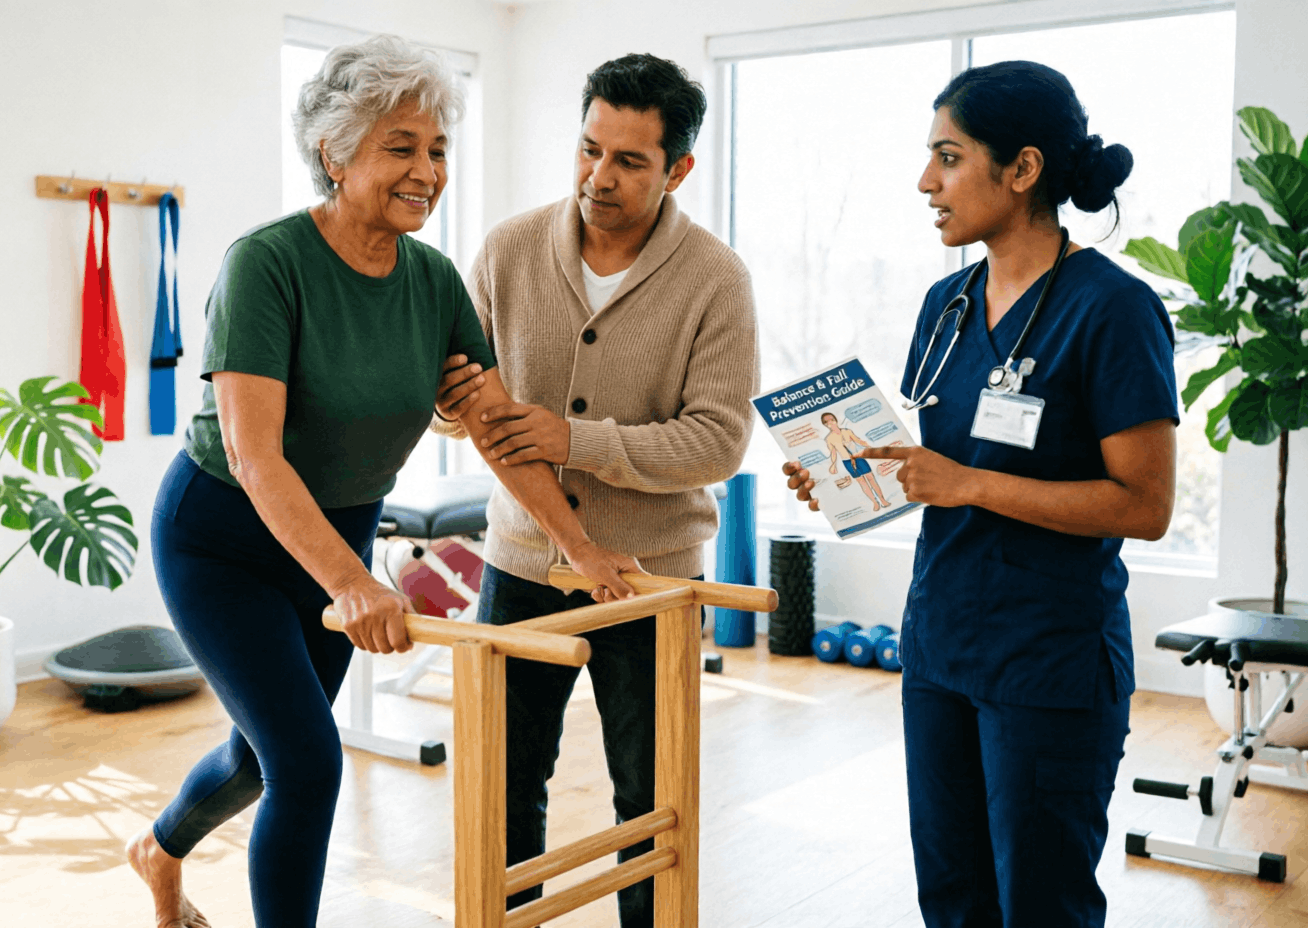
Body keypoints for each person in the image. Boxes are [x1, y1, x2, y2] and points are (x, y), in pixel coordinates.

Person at [126, 36, 640, 928]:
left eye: (438, 149)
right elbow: (254, 456)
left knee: (259, 759)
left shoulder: (433, 282)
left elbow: (495, 428)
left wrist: (580, 547)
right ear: (334, 153)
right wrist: (352, 582)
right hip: (224, 542)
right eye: (401, 147)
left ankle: (157, 850)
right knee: (307, 763)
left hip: (337, 539)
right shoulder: (267, 265)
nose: (427, 172)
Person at [784, 61, 1177, 927]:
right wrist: (849, 475)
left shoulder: (1114, 310)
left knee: (1039, 903)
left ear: (1023, 168)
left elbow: (1145, 506)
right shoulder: (946, 304)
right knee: (953, 898)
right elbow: (936, 465)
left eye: (949, 157)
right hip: (939, 648)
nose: (926, 181)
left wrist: (969, 484)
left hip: (1048, 660)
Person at [434, 53, 758, 928]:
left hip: (651, 580)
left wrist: (575, 440)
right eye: (589, 148)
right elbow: (454, 406)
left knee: (652, 801)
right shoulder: (506, 249)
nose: (598, 176)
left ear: (677, 170)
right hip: (521, 565)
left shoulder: (716, 278)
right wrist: (449, 402)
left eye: (629, 161)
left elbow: (718, 441)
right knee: (504, 790)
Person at [821, 411, 889, 510]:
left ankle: (882, 500)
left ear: (835, 420)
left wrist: (871, 448)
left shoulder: (847, 431)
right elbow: (833, 453)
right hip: (847, 462)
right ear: (825, 424)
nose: (830, 422)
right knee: (862, 482)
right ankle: (875, 502)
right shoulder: (829, 439)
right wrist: (833, 464)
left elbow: (859, 441)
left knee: (871, 478)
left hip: (858, 457)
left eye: (832, 419)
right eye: (827, 421)